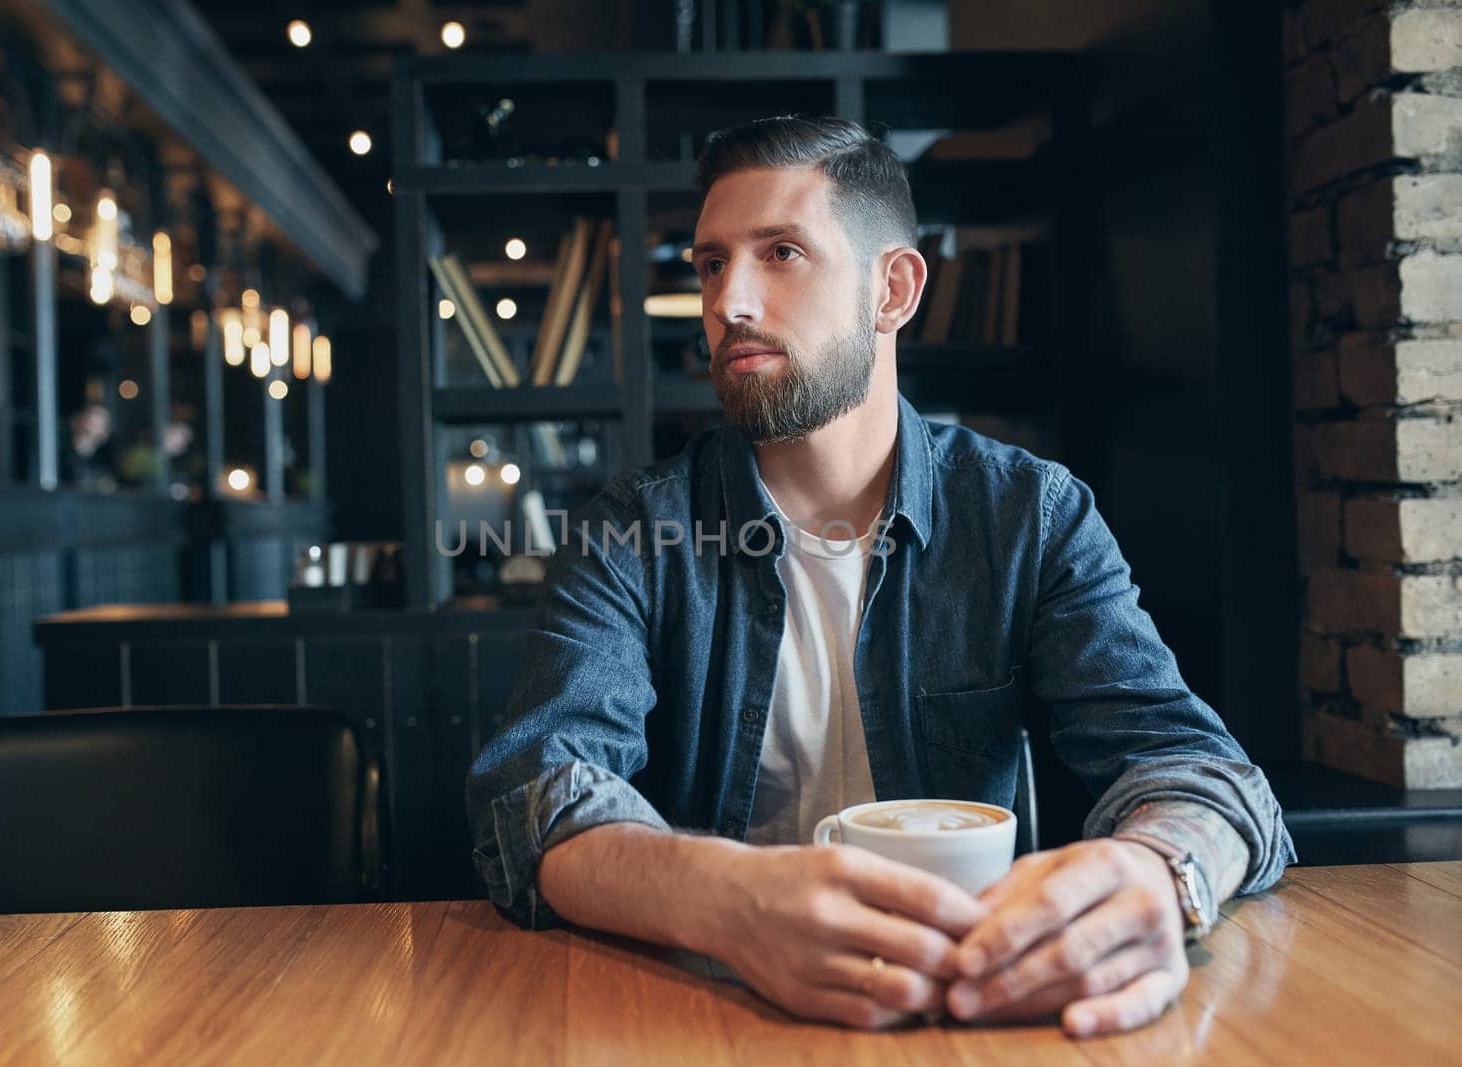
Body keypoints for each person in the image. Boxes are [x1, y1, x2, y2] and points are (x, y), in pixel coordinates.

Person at [465, 115, 1293, 1037]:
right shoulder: (630, 529)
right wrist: (731, 901)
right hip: (709, 1014)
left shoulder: (1029, 515)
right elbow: (537, 799)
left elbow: (1199, 774)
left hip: (976, 1011)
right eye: (708, 263)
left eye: (780, 252)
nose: (727, 299)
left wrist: (1158, 874)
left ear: (891, 289)